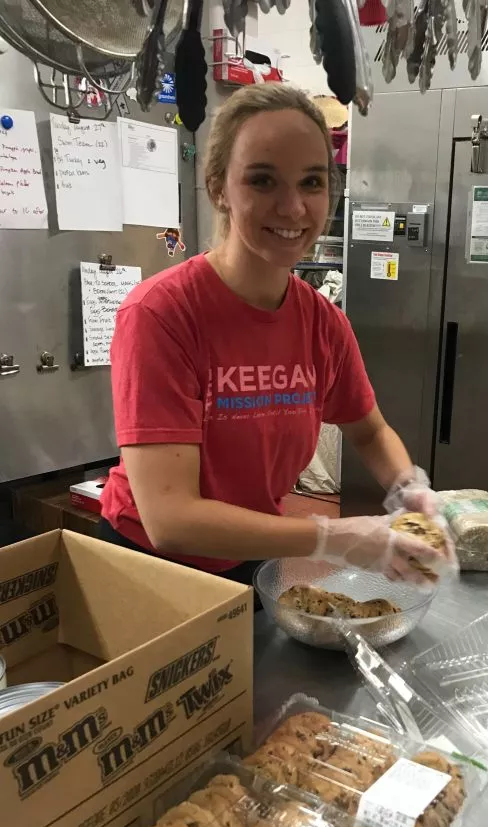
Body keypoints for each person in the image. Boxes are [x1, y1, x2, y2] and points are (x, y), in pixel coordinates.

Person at [99, 83, 450, 588]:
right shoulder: (162, 314)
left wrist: (411, 488)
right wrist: (333, 536)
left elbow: (369, 431)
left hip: (249, 556)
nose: (292, 208)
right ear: (219, 187)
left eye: (311, 182)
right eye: (263, 181)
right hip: (144, 568)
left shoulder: (323, 323)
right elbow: (170, 519)